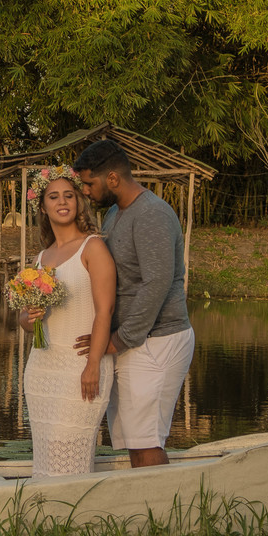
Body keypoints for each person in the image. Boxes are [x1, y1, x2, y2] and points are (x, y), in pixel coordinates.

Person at [71, 139, 194, 468]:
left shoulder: (151, 213)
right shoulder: (115, 212)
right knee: (134, 442)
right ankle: (146, 515)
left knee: (146, 441)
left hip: (158, 339)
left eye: (89, 183)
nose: (85, 191)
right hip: (134, 341)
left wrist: (118, 339)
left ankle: (165, 517)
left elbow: (157, 283)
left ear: (112, 179)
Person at [15, 166, 116, 477]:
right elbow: (25, 321)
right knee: (46, 448)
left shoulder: (93, 247)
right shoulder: (41, 258)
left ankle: (73, 516)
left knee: (68, 445)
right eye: (53, 196)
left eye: (69, 195)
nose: (62, 202)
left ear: (78, 202)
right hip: (42, 367)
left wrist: (93, 364)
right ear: (43, 207)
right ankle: (45, 518)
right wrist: (30, 316)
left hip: (80, 367)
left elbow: (105, 311)